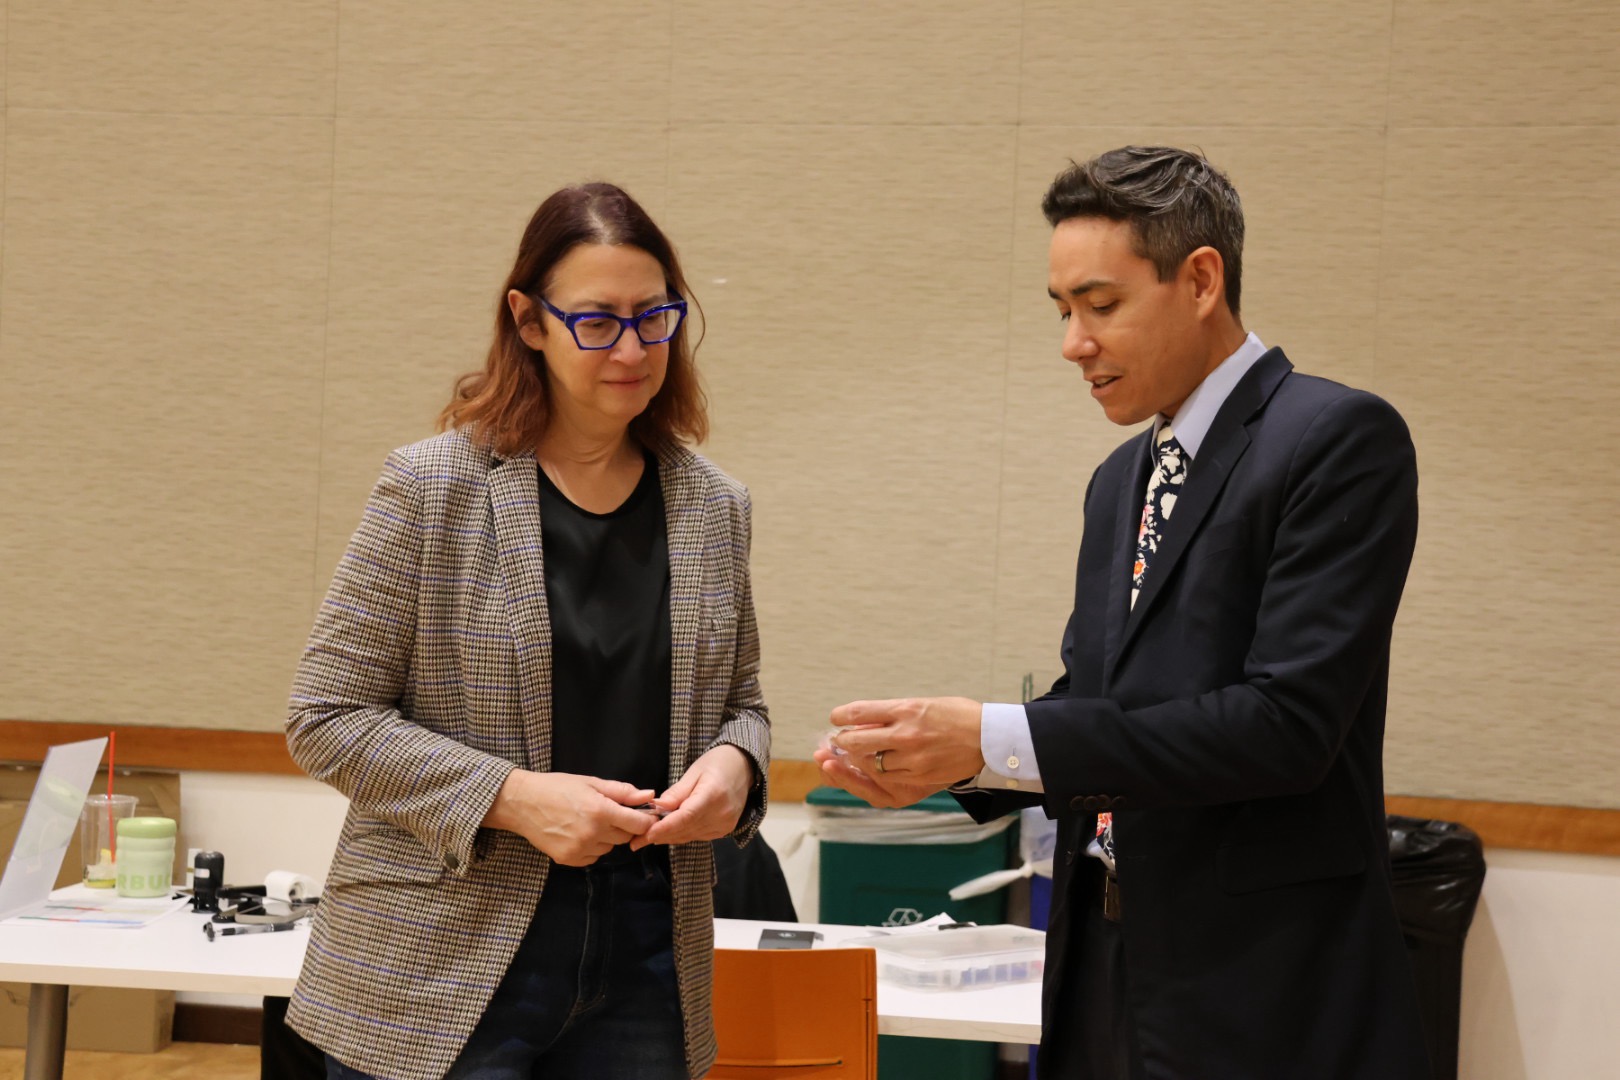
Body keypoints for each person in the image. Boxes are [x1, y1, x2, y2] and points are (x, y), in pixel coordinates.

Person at [816, 147, 1430, 1079]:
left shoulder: (1335, 438)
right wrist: (957, 762)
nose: (1074, 342)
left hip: (1262, 986)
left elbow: (1285, 725)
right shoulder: (1121, 481)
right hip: (1101, 966)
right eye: (1063, 311)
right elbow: (1100, 699)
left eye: (1101, 305)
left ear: (1200, 280)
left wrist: (996, 738)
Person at [285, 182, 769, 1080]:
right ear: (529, 321)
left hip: (647, 956)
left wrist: (739, 767)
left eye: (654, 317)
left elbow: (740, 704)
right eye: (596, 321)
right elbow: (326, 715)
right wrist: (513, 798)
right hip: (439, 960)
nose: (631, 348)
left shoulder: (714, 506)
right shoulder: (433, 488)